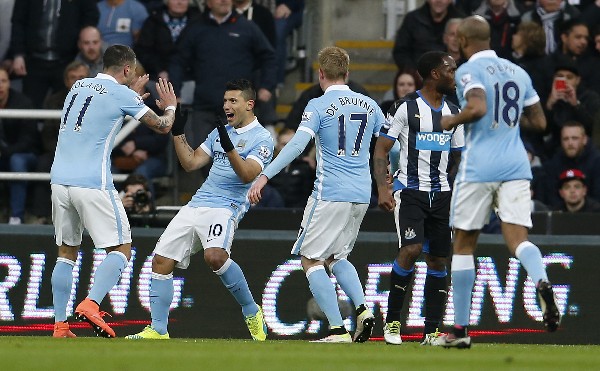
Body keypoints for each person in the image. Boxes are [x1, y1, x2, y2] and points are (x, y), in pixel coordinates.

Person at [437, 16, 560, 348]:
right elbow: (540, 121)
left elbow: (476, 107)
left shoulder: (466, 71)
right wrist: (507, 117)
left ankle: (460, 332)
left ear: (462, 40)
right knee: (518, 240)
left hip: (479, 167)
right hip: (516, 164)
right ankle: (542, 281)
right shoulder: (518, 72)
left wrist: (452, 119)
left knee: (463, 245)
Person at [248, 46, 385, 343]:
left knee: (311, 259)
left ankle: (337, 329)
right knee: (337, 256)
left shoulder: (318, 105)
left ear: (320, 74)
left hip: (330, 192)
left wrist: (265, 175)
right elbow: (391, 146)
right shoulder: (370, 105)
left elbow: (298, 146)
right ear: (348, 74)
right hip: (362, 193)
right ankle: (362, 308)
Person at [126, 79, 273, 341]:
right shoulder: (220, 132)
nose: (226, 105)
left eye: (233, 101)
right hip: (198, 202)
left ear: (249, 105)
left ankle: (252, 311)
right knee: (161, 260)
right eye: (225, 100)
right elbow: (191, 163)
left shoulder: (262, 138)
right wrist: (178, 133)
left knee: (215, 256)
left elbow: (247, 175)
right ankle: (158, 330)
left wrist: (229, 147)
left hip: (226, 206)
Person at [50, 44, 177, 338]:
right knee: (121, 248)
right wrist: (169, 105)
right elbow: (162, 126)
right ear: (128, 69)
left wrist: (132, 99)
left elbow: (99, 114)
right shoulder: (121, 93)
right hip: (92, 181)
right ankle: (91, 303)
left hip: (59, 180)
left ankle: (59, 326)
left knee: (66, 252)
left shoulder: (79, 86)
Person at [373, 51, 464, 346]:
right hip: (410, 191)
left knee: (438, 260)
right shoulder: (405, 108)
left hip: (442, 195)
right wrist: (384, 189)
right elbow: (381, 150)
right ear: (435, 74)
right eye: (450, 69)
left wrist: (454, 189)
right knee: (411, 250)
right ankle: (393, 323)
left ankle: (431, 331)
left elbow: (458, 157)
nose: (455, 74)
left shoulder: (454, 110)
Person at [169, 0, 277, 149]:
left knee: (237, 157)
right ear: (208, 3)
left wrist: (267, 85)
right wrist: (175, 92)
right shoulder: (195, 28)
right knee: (201, 153)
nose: (224, 0)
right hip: (204, 106)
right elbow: (178, 61)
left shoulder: (247, 27)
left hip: (238, 107)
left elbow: (269, 57)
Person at [31, 61, 91, 225]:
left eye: (82, 78)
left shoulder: (99, 102)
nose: (78, 82)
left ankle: (90, 218)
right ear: (66, 81)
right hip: (58, 151)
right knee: (44, 163)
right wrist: (63, 151)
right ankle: (42, 215)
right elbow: (48, 135)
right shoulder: (54, 100)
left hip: (89, 153)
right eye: (73, 78)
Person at [10, 0, 99, 108]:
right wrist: (18, 54)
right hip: (33, 61)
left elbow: (91, 15)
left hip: (67, 60)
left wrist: (77, 41)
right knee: (31, 107)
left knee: (66, 106)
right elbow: (18, 21)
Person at [0, 67, 40, 225]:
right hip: (3, 154)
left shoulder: (22, 102)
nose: (0, 86)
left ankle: (16, 217)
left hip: (25, 154)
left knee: (17, 161)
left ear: (9, 83)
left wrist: (4, 152)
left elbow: (28, 140)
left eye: (3, 81)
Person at [134, 0, 201, 82]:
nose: (179, 2)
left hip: (190, 77)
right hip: (157, 76)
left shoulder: (199, 21)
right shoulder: (153, 21)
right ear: (167, 1)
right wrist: (159, 70)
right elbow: (143, 51)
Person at [392, 0, 465, 71]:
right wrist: (414, 74)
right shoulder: (412, 20)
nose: (439, 1)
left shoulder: (463, 21)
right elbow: (401, 52)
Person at [541, 121, 600, 206]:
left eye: (575, 138)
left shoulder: (597, 161)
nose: (570, 143)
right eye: (566, 139)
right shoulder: (554, 163)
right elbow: (551, 196)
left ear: (584, 140)